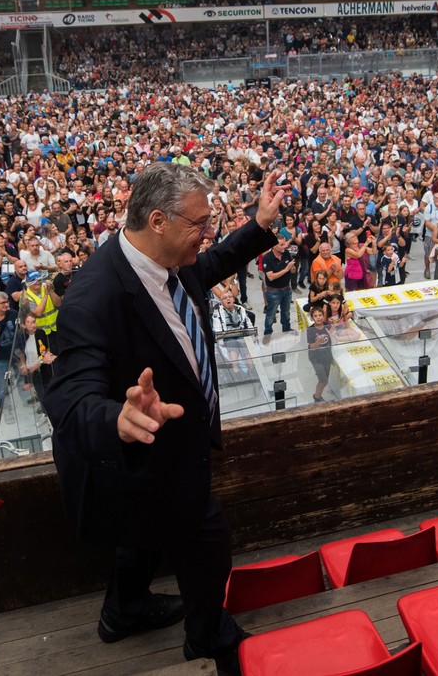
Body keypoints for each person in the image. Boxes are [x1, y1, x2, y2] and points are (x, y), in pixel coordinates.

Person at [44, 162, 283, 674]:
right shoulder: (94, 295)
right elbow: (68, 401)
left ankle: (123, 612)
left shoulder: (174, 260)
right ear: (157, 220)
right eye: (199, 223)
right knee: (208, 543)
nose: (207, 233)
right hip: (141, 459)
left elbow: (212, 263)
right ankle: (208, 636)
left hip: (162, 456)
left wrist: (260, 225)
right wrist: (116, 419)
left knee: (139, 540)